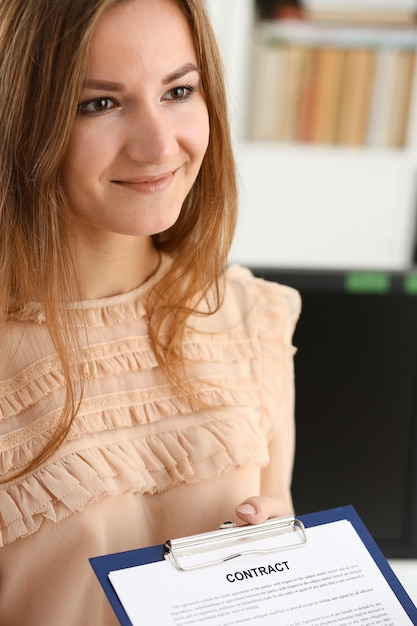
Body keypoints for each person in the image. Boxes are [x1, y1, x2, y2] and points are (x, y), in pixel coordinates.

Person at [0, 0, 301, 623]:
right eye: (100, 103)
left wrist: (284, 559)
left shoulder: (251, 318)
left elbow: (280, 545)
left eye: (178, 91)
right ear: (21, 119)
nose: (159, 145)